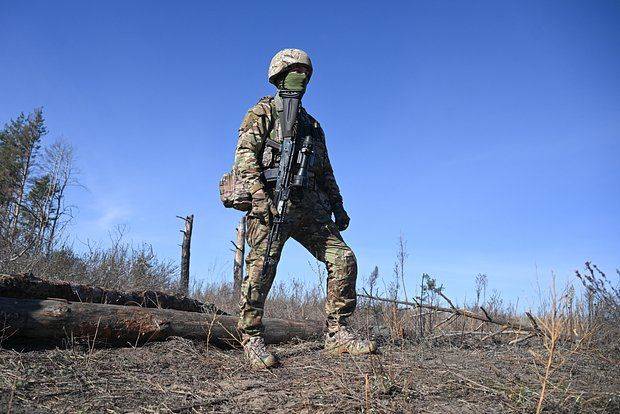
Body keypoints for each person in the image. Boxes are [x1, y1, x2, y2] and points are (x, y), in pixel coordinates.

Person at [233, 48, 376, 368]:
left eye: (305, 73)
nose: (301, 78)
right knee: (261, 268)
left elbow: (325, 171)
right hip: (270, 202)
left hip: (308, 205)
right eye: (294, 72)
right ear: (278, 76)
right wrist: (259, 198)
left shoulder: (312, 125)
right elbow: (245, 159)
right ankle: (251, 336)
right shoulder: (261, 113)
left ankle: (337, 333)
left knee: (344, 258)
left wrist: (338, 206)